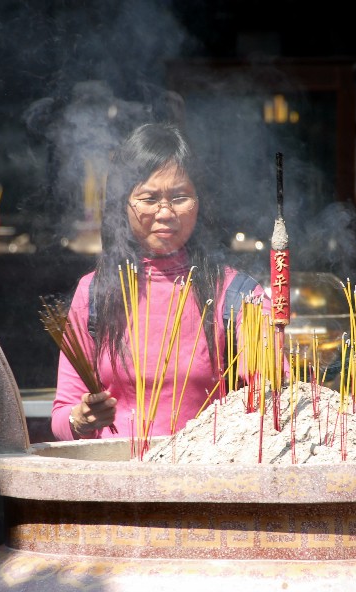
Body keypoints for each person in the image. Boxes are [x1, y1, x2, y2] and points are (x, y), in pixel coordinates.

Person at [51, 122, 271, 441]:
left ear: (200, 202)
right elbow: (61, 415)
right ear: (122, 205)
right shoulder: (95, 293)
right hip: (118, 482)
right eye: (149, 198)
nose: (165, 212)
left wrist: (266, 370)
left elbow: (268, 401)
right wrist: (80, 419)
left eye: (180, 197)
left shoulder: (239, 296)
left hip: (204, 479)